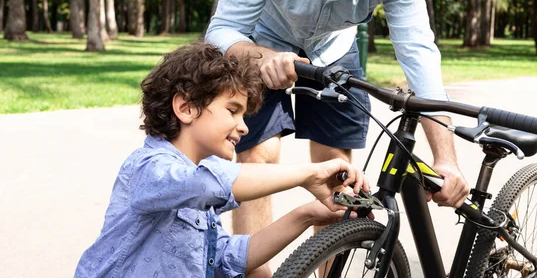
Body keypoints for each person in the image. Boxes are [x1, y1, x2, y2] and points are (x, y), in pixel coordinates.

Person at [205, 0, 469, 253]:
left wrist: (446, 158)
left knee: (338, 174)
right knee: (259, 156)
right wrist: (265, 57)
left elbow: (420, 56)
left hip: (335, 48)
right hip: (261, 43)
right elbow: (221, 32)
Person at [74, 42, 369, 278]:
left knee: (257, 272)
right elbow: (208, 184)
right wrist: (308, 174)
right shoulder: (149, 167)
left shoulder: (195, 183)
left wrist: (306, 215)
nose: (243, 127)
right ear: (186, 107)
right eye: (232, 110)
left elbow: (228, 256)